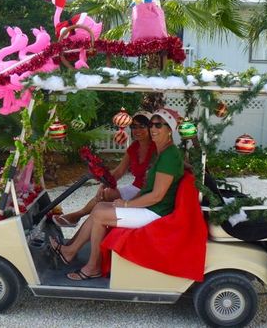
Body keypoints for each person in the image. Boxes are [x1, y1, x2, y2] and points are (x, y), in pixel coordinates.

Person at [50, 108, 184, 280]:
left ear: (170, 129)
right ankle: (72, 252)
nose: (153, 129)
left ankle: (91, 266)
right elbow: (142, 183)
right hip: (152, 207)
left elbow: (156, 196)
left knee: (100, 214)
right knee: (99, 207)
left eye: (158, 125)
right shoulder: (164, 152)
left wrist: (126, 204)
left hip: (156, 212)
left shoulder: (168, 155)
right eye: (152, 125)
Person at [52, 111, 157, 227]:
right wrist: (104, 183)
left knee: (106, 198)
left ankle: (77, 217)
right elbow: (119, 171)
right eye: (134, 127)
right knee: (106, 193)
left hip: (147, 191)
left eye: (142, 126)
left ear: (150, 128)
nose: (137, 130)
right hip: (134, 187)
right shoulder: (134, 147)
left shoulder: (156, 148)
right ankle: (78, 217)